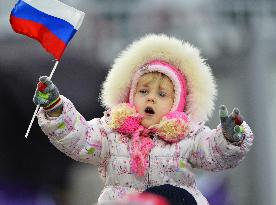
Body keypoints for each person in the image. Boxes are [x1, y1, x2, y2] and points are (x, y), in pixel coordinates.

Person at [33, 34, 254, 205]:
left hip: (173, 201)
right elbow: (79, 137)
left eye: (162, 94)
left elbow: (213, 152)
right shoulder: (112, 132)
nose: (151, 97)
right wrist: (56, 108)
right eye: (143, 91)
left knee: (174, 195)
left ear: (177, 104)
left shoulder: (187, 136)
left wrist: (230, 138)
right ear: (130, 95)